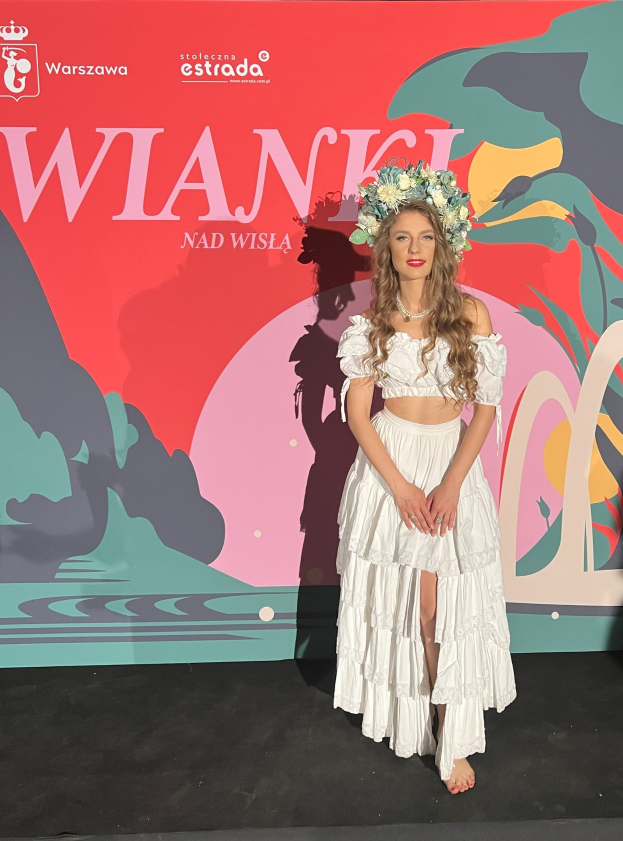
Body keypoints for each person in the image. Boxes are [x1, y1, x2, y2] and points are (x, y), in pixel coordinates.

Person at [332, 160, 516, 794]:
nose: (415, 250)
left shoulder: (471, 315)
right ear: (387, 248)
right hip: (390, 468)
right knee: (406, 603)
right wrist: (402, 488)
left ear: (445, 246)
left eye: (427, 237)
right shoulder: (372, 324)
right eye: (403, 238)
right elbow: (358, 414)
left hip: (449, 463)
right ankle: (423, 717)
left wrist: (450, 484)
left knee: (438, 610)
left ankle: (448, 729)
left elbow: (485, 410)